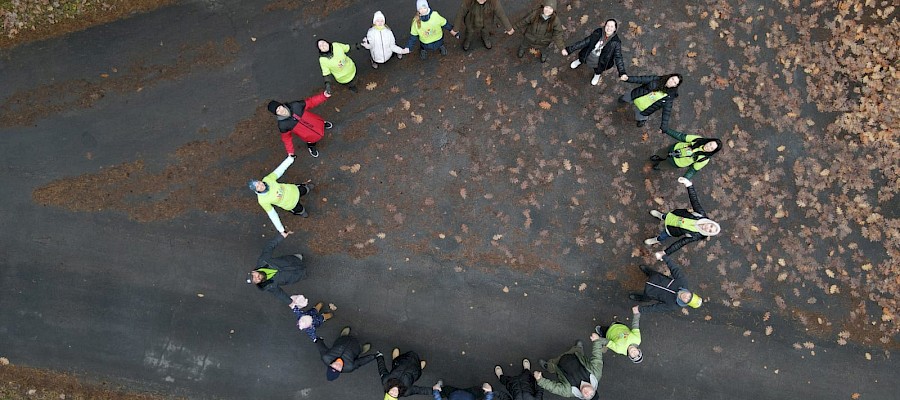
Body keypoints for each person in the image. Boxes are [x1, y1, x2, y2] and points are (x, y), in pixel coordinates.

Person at [645, 177, 720, 259]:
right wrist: (689, 185)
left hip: (672, 230)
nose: (708, 228)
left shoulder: (695, 235)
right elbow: (694, 200)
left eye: (709, 231)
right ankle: (661, 216)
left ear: (708, 233)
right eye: (711, 226)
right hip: (674, 216)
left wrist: (665, 253)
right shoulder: (700, 214)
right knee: (666, 216)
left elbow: (680, 243)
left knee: (662, 236)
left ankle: (656, 240)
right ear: (711, 222)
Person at [248, 156, 314, 236]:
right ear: (256, 190)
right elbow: (272, 215)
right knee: (299, 209)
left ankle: (307, 188)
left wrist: (290, 159)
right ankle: (302, 212)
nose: (260, 185)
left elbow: (279, 170)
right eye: (257, 187)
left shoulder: (267, 179)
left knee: (304, 189)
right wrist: (281, 230)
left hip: (294, 190)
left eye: (259, 183)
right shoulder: (262, 200)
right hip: (291, 204)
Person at [534, 334, 604, 399]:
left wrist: (540, 380)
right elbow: (597, 358)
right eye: (591, 394)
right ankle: (578, 348)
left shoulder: (568, 392)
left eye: (587, 397)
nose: (587, 393)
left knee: (551, 367)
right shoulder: (596, 373)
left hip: (557, 365)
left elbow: (553, 388)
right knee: (578, 350)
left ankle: (547, 366)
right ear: (594, 389)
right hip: (575, 355)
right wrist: (597, 341)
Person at [562, 19, 628, 86]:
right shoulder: (598, 32)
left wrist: (622, 72)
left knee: (598, 69)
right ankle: (579, 61)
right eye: (607, 25)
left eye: (612, 26)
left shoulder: (616, 42)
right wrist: (569, 49)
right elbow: (584, 42)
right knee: (582, 57)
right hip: (589, 54)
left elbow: (618, 57)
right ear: (605, 26)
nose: (609, 28)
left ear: (615, 29)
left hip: (601, 61)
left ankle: (597, 75)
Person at [247, 232, 307, 304]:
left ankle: (300, 258)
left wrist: (281, 236)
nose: (257, 278)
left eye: (254, 276)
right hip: (296, 275)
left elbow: (269, 246)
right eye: (255, 281)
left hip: (292, 260)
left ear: (254, 271)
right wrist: (290, 302)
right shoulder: (268, 286)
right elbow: (279, 293)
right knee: (305, 273)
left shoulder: (263, 261)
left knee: (298, 258)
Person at [267, 92, 333, 158]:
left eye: (279, 108)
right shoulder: (283, 125)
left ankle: (323, 124)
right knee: (311, 141)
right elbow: (286, 139)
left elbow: (311, 102)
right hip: (309, 136)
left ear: (282, 105)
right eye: (277, 111)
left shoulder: (296, 105)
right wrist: (290, 152)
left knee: (320, 124)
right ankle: (311, 146)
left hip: (317, 123)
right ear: (276, 114)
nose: (280, 111)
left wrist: (324, 96)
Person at [630, 258, 703, 312]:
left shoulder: (673, 306)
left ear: (685, 303)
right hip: (657, 278)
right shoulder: (682, 282)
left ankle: (641, 298)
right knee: (653, 274)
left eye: (687, 300)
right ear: (690, 293)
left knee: (647, 297)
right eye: (689, 296)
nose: (686, 297)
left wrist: (640, 309)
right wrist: (665, 257)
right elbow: (675, 269)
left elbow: (656, 308)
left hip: (651, 293)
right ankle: (648, 271)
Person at [650, 127, 722, 178]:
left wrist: (686, 178)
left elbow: (693, 170)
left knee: (665, 165)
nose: (708, 147)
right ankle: (658, 157)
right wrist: (666, 130)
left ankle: (659, 166)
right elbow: (681, 136)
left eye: (711, 148)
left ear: (713, 151)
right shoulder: (698, 139)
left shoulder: (704, 159)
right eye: (710, 144)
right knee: (662, 153)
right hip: (673, 149)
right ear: (709, 141)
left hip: (676, 163)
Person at [450, 0, 514, 52]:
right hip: (471, 22)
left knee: (485, 32)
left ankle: (486, 39)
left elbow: (501, 15)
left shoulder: (494, 2)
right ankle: (467, 40)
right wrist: (455, 29)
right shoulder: (468, 1)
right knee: (469, 33)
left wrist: (509, 28)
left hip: (486, 23)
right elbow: (460, 14)